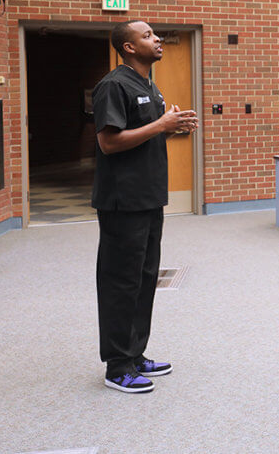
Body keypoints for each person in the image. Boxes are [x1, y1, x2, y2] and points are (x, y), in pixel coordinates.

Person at [93, 20, 200, 393]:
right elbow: (109, 142)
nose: (157, 39)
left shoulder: (149, 86)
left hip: (149, 197)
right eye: (147, 35)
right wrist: (160, 125)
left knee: (143, 278)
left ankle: (135, 354)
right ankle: (117, 366)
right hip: (123, 201)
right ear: (128, 47)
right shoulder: (113, 85)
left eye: (155, 34)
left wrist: (170, 127)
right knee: (121, 280)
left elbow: (143, 134)